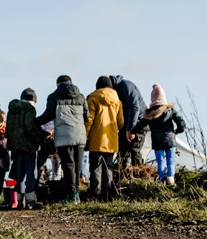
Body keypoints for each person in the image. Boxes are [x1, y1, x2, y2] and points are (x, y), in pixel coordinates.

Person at [36, 75, 88, 204]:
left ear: (58, 84)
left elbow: (49, 115)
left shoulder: (54, 97)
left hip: (65, 137)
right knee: (77, 166)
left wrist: (35, 122)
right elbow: (87, 116)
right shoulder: (81, 96)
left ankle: (70, 195)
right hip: (80, 135)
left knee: (68, 166)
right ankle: (77, 196)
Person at [129, 83, 186, 185]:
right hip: (170, 140)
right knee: (170, 160)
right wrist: (178, 131)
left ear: (152, 99)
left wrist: (132, 131)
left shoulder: (149, 114)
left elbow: (140, 125)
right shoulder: (170, 110)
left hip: (157, 142)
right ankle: (171, 178)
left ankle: (161, 179)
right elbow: (181, 122)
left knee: (160, 161)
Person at [6, 88, 48, 209]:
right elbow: (30, 126)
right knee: (31, 172)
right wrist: (41, 136)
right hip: (29, 146)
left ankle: (20, 201)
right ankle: (30, 200)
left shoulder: (12, 110)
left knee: (20, 174)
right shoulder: (29, 109)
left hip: (16, 147)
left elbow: (9, 129)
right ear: (33, 100)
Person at [84, 76, 124, 202]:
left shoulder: (93, 97)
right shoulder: (117, 99)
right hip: (111, 140)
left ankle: (95, 194)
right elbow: (121, 122)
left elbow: (89, 120)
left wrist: (85, 136)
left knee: (95, 167)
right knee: (108, 167)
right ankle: (108, 194)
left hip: (96, 139)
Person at [109, 75, 148, 172]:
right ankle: (121, 174)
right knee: (121, 149)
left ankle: (139, 174)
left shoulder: (126, 86)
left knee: (134, 150)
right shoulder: (115, 91)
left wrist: (131, 129)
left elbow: (135, 107)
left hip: (139, 121)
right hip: (127, 122)